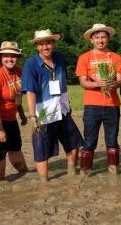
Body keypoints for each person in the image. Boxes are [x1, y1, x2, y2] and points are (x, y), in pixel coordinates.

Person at [21, 29, 84, 181]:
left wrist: (67, 102)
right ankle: (44, 181)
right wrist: (33, 117)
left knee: (74, 142)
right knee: (42, 149)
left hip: (62, 108)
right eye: (41, 44)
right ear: (36, 46)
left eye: (48, 43)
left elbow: (63, 82)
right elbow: (30, 91)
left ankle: (71, 172)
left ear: (53, 43)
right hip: (43, 112)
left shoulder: (60, 58)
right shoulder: (30, 64)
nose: (45, 47)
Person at [76, 23, 121, 175]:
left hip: (112, 104)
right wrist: (98, 83)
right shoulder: (84, 57)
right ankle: (85, 169)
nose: (100, 40)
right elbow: (83, 82)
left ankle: (113, 167)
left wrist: (113, 83)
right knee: (90, 140)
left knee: (112, 139)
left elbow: (120, 80)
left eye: (103, 37)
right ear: (91, 40)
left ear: (108, 39)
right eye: (97, 37)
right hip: (92, 105)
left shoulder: (116, 57)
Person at [0, 41, 29, 181]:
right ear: (1, 57)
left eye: (13, 56)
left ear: (18, 57)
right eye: (6, 56)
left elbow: (18, 95)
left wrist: (21, 114)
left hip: (11, 118)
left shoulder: (19, 71)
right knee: (0, 153)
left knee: (16, 147)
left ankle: (24, 175)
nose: (10, 59)